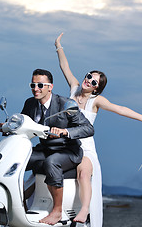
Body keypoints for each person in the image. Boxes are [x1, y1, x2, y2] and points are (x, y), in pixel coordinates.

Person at [54, 33, 142, 226]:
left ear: (96, 89)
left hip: (84, 147)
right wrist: (58, 46)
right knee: (43, 169)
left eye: (94, 82)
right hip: (64, 142)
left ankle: (85, 211)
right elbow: (64, 67)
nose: (89, 81)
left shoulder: (97, 101)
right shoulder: (74, 89)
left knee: (84, 173)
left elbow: (120, 109)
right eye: (89, 77)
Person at [21, 68, 94, 225]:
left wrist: (65, 131)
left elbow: (88, 128)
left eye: (40, 85)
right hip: (45, 149)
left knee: (51, 163)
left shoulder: (65, 104)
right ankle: (20, 203)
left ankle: (57, 211)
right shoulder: (30, 103)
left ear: (50, 87)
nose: (36, 89)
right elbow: (23, 123)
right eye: (32, 85)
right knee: (18, 160)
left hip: (68, 151)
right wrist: (8, 126)